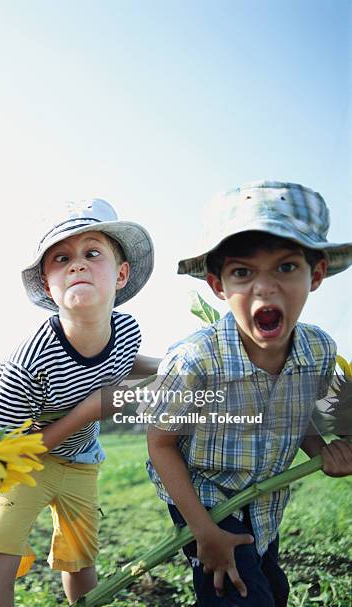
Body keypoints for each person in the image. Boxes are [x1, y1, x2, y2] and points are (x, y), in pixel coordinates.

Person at [147, 181, 352, 607]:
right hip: (202, 495)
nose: (265, 287)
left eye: (286, 267)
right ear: (217, 284)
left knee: (272, 590)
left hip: (264, 497)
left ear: (315, 275)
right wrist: (203, 531)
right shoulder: (195, 361)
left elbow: (300, 418)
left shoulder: (318, 351)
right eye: (243, 272)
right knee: (239, 593)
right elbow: (161, 443)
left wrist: (322, 451)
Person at [0, 199, 157, 606]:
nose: (78, 265)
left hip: (81, 462)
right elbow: (4, 451)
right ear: (47, 284)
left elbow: (122, 358)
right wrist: (91, 410)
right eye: (61, 258)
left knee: (80, 556)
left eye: (92, 253)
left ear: (121, 274)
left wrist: (175, 366)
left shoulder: (126, 330)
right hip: (21, 460)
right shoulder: (29, 362)